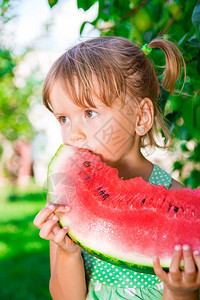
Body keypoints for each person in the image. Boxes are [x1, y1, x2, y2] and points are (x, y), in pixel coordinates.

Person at [33, 36, 200, 300]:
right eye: (63, 118)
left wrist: (183, 290)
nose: (73, 134)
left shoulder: (177, 203)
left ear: (141, 117)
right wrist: (68, 251)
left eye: (89, 113)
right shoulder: (67, 195)